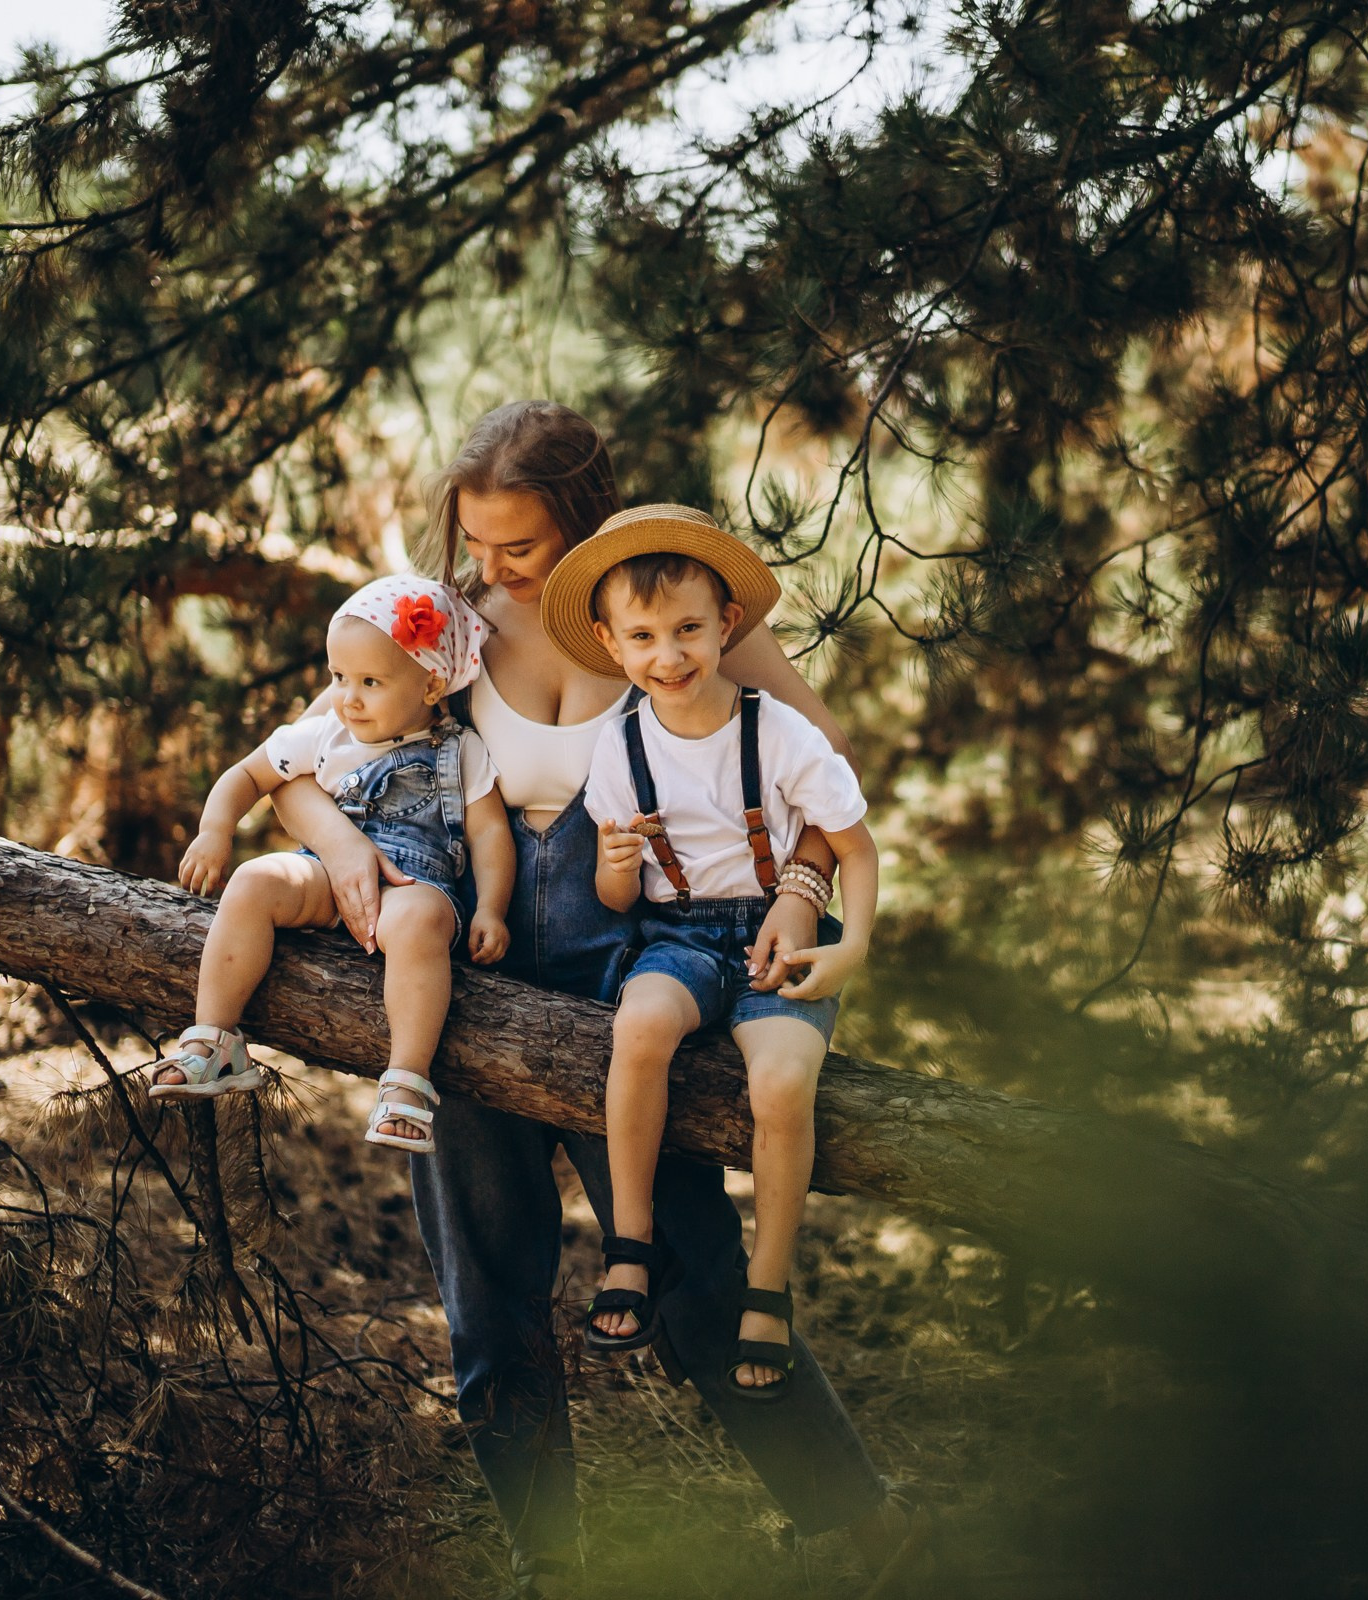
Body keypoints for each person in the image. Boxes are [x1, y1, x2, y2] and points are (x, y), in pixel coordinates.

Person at [268, 402, 928, 1593]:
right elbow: (294, 760)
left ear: (583, 522)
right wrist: (344, 846)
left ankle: (863, 1525)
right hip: (462, 995)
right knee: (489, 1289)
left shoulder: (658, 611)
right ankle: (549, 1562)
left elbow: (826, 788)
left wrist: (800, 888)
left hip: (629, 989)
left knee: (691, 1269)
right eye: (475, 540)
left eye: (516, 546)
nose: (488, 569)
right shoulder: (443, 628)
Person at [544, 506, 876, 1400]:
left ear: (727, 625)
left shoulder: (782, 734)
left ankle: (768, 1285)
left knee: (778, 1084)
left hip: (776, 932)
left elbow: (857, 846)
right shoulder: (620, 746)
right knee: (640, 1027)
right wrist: (615, 869)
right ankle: (630, 1246)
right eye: (644, 637)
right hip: (678, 937)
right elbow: (624, 898)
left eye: (689, 629)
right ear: (612, 645)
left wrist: (852, 949)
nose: (670, 654)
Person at [149, 575, 513, 1152]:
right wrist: (215, 829)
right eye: (339, 678)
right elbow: (247, 774)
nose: (349, 697)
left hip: (410, 887)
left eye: (370, 682)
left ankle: (407, 1081)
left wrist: (491, 907)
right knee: (255, 880)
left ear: (431, 683)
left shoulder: (461, 749)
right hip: (323, 874)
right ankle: (214, 1039)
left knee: (421, 922)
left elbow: (490, 833)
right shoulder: (325, 735)